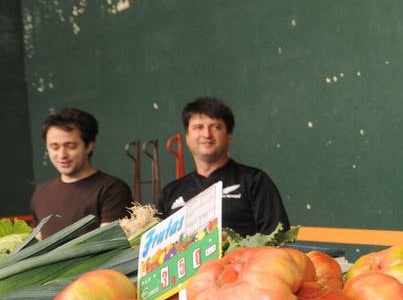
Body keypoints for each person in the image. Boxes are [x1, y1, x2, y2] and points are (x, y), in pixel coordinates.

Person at [155, 97, 290, 237]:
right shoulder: (170, 193)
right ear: (187, 137)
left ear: (229, 135)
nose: (206, 134)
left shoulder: (254, 181)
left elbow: (279, 240)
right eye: (198, 127)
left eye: (215, 127)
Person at [30, 108, 133, 239]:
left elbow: (108, 244)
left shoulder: (112, 189)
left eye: (70, 146)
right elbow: (37, 244)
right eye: (54, 147)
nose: (62, 155)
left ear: (89, 146)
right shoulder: (41, 193)